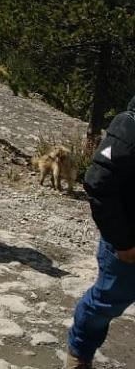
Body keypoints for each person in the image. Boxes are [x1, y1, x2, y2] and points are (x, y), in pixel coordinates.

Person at [64, 95, 135, 369]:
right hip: (128, 245)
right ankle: (79, 354)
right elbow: (98, 182)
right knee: (105, 304)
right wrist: (123, 243)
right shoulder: (129, 126)